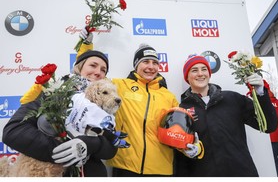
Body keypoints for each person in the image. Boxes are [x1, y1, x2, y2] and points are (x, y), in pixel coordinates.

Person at [76, 28, 184, 176]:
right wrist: (86, 45)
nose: (151, 67)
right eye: (145, 61)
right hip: (126, 167)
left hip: (160, 169)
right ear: (136, 64)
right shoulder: (119, 86)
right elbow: (89, 75)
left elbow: (179, 130)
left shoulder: (168, 96)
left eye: (155, 62)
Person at [2, 49, 119, 177]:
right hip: (46, 173)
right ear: (79, 67)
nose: (98, 72)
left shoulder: (103, 105)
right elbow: (13, 131)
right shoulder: (53, 93)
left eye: (103, 70)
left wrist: (91, 144)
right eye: (93, 65)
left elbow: (111, 148)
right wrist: (63, 149)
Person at [174, 54, 278, 177]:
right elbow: (180, 157)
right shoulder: (182, 110)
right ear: (187, 77)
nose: (200, 74)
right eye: (194, 70)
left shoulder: (233, 99)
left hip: (241, 173)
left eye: (204, 69)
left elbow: (269, 126)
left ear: (209, 73)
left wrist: (261, 93)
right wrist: (186, 152)